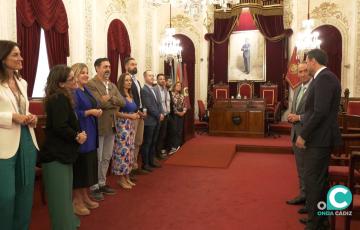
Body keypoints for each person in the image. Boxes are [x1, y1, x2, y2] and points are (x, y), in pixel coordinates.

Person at [295, 49, 342, 230]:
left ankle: (316, 224)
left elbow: (319, 111)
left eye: (306, 62)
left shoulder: (325, 78)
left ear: (313, 61)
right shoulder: (323, 78)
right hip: (320, 138)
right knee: (318, 182)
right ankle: (319, 219)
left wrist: (303, 134)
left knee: (314, 182)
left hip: (319, 139)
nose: (305, 66)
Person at [40, 65, 87, 230]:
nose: (75, 81)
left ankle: (68, 223)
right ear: (61, 83)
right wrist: (77, 136)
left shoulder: (63, 97)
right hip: (56, 155)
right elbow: (60, 126)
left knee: (65, 195)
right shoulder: (58, 99)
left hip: (63, 153)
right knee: (60, 197)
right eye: (71, 79)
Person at [0, 40, 39, 229]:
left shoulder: (22, 82)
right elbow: (12, 113)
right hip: (3, 145)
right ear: (2, 57)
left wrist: (32, 118)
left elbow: (24, 109)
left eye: (20, 54)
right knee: (6, 197)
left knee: (25, 193)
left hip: (27, 140)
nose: (21, 58)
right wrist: (12, 117)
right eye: (15, 55)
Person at [87, 58, 125, 201]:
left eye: (109, 66)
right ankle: (94, 186)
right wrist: (110, 101)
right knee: (97, 157)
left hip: (112, 125)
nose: (108, 69)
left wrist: (110, 99)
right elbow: (98, 102)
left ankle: (102, 183)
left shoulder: (112, 84)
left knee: (106, 156)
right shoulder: (91, 84)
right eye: (105, 67)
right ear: (97, 68)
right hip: (99, 125)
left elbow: (122, 102)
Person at [71, 63, 102, 215]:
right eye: (82, 72)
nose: (85, 75)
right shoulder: (73, 91)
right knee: (80, 168)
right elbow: (73, 113)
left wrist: (96, 110)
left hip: (91, 131)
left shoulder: (86, 89)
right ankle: (77, 200)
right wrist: (89, 112)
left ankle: (85, 196)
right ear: (75, 74)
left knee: (88, 166)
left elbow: (93, 104)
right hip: (81, 132)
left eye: (87, 72)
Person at [286, 62, 312, 215]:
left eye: (305, 71)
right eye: (300, 72)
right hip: (295, 134)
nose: (301, 74)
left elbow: (316, 113)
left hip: (307, 135)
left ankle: (310, 201)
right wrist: (292, 116)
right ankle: (303, 195)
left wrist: (299, 117)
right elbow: (295, 109)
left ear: (310, 72)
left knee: (308, 170)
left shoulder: (315, 89)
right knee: (300, 169)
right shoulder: (297, 89)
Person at [113, 73, 140, 189]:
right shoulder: (120, 96)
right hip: (122, 127)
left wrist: (138, 114)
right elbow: (116, 113)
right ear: (121, 82)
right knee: (122, 153)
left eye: (130, 80)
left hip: (131, 127)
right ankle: (121, 179)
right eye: (126, 80)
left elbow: (132, 110)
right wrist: (129, 116)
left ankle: (127, 176)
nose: (129, 82)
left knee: (130, 152)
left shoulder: (131, 95)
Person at [125, 57, 147, 175]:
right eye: (132, 64)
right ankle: (128, 169)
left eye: (136, 64)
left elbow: (140, 99)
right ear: (126, 66)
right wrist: (136, 111)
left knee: (138, 141)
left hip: (140, 115)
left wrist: (143, 110)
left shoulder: (137, 81)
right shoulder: (125, 80)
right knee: (131, 142)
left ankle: (134, 165)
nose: (135, 66)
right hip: (132, 115)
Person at [141, 70, 163, 171]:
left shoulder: (154, 88)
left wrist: (161, 113)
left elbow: (159, 103)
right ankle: (145, 164)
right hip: (149, 121)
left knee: (153, 142)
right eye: (150, 76)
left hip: (156, 119)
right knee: (147, 143)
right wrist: (158, 115)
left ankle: (151, 161)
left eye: (153, 75)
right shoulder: (144, 90)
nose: (152, 77)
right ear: (145, 78)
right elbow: (149, 106)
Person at [155, 74, 171, 159]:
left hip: (165, 115)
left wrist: (167, 112)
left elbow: (167, 102)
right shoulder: (155, 89)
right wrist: (159, 114)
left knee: (162, 135)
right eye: (160, 79)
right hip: (158, 116)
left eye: (163, 79)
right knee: (157, 136)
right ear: (157, 80)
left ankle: (159, 152)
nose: (162, 80)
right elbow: (156, 104)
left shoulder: (165, 89)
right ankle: (155, 154)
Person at [169, 82, 186, 155]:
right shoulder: (171, 94)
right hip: (174, 114)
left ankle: (178, 145)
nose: (179, 87)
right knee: (174, 130)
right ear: (174, 86)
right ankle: (173, 146)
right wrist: (177, 112)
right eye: (177, 85)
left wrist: (183, 112)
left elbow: (185, 105)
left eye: (180, 86)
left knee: (179, 130)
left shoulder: (182, 96)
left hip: (181, 114)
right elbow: (171, 105)